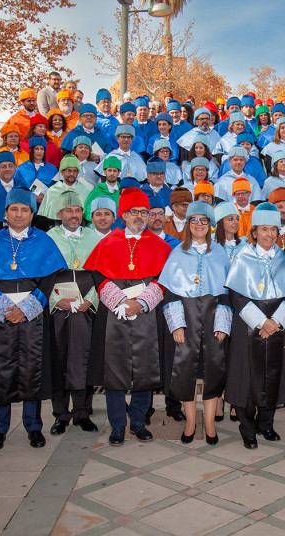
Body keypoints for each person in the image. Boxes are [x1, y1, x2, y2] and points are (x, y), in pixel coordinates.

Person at [0, 188, 67, 451]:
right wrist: (2, 306)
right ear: (6, 213)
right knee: (0, 372)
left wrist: (27, 308)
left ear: (32, 214)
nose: (19, 214)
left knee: (32, 371)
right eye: (14, 209)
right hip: (0, 315)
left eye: (24, 210)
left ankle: (33, 427)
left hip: (33, 315)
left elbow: (48, 280)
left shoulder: (43, 241)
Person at [83, 188, 171, 445]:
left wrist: (142, 302)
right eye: (134, 212)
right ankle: (118, 424)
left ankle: (139, 420)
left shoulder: (160, 245)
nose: (140, 217)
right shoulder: (109, 242)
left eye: (144, 212)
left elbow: (163, 279)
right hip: (114, 313)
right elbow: (98, 275)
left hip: (147, 312)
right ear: (123, 214)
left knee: (146, 368)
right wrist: (121, 301)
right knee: (115, 371)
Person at [224, 203, 285, 448]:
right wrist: (261, 322)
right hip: (248, 326)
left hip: (277, 326)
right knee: (246, 378)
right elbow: (237, 296)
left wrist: (275, 322)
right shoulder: (242, 257)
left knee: (273, 376)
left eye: (273, 230)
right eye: (264, 229)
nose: (269, 235)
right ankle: (247, 427)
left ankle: (266, 423)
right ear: (254, 232)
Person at [158, 202, 232, 445]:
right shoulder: (177, 252)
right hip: (186, 319)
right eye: (194, 220)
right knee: (185, 372)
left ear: (210, 225)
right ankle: (191, 423)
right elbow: (170, 293)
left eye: (203, 220)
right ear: (188, 225)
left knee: (214, 370)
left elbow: (226, 294)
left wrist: (222, 324)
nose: (198, 225)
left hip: (213, 319)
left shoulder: (220, 252)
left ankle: (210, 425)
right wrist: (177, 325)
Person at [45, 191, 102, 436]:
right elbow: (42, 276)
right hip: (59, 306)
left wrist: (91, 300)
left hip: (87, 306)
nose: (74, 215)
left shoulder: (93, 238)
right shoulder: (48, 238)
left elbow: (101, 274)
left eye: (78, 211)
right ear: (59, 214)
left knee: (84, 359)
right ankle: (60, 415)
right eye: (69, 211)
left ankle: (82, 412)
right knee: (58, 360)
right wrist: (57, 300)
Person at [37, 155, 92, 228]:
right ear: (62, 172)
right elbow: (44, 220)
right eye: (68, 171)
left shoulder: (85, 191)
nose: (72, 174)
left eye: (74, 171)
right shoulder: (52, 191)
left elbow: (87, 218)